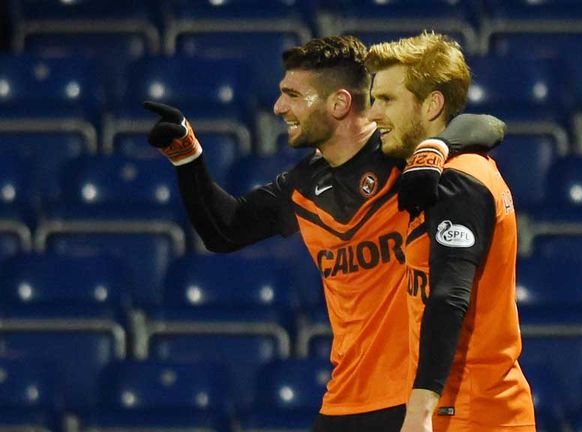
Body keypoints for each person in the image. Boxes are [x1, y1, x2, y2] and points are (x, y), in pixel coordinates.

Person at [143, 35, 504, 432]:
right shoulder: (303, 185)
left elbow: (484, 126)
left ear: (339, 103)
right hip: (342, 403)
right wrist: (187, 156)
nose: (279, 107)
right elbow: (225, 231)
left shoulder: (404, 158)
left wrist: (437, 145)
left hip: (412, 400)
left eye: (293, 95)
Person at [365, 32, 536, 432]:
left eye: (387, 99)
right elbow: (490, 124)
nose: (373, 114)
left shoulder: (458, 182)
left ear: (432, 104)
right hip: (462, 409)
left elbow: (449, 296)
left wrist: (419, 410)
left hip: (472, 413)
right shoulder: (440, 170)